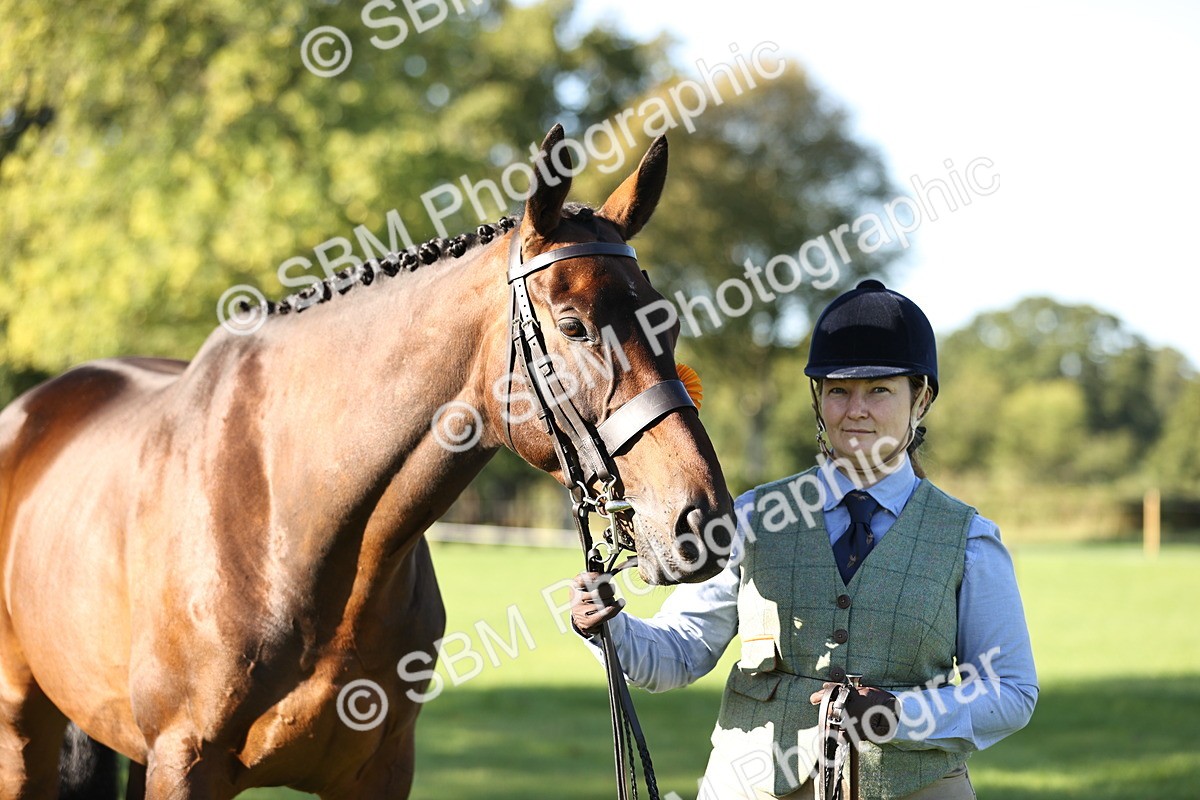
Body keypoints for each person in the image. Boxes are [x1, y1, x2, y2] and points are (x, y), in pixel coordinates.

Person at [570, 279, 1038, 799]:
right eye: (838, 390)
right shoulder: (751, 516)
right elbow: (681, 653)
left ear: (920, 399)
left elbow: (1011, 692)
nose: (854, 410)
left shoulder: (970, 538)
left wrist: (901, 715)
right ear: (818, 399)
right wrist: (607, 630)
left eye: (879, 390)